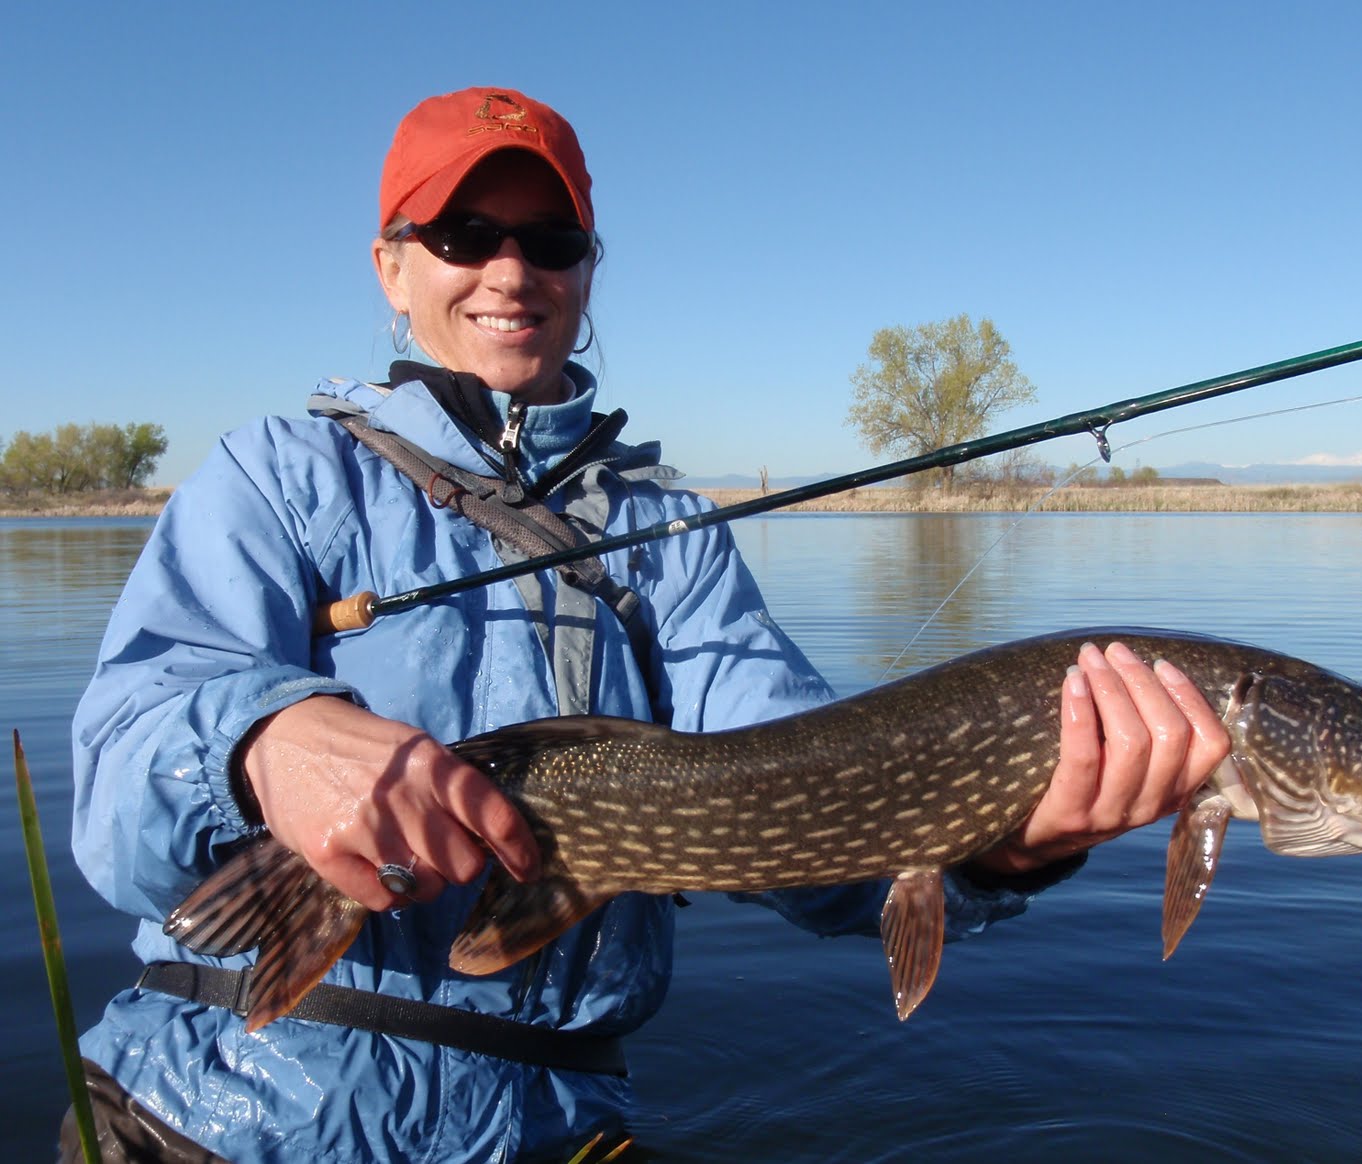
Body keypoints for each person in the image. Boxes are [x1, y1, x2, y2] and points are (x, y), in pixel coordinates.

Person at [66, 86, 1231, 1163]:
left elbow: (810, 833)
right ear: (391, 267)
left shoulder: (670, 534)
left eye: (550, 240)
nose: (510, 271)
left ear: (586, 267)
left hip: (550, 1124)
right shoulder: (277, 476)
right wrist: (266, 741)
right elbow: (118, 798)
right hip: (216, 1116)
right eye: (466, 235)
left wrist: (1005, 845)